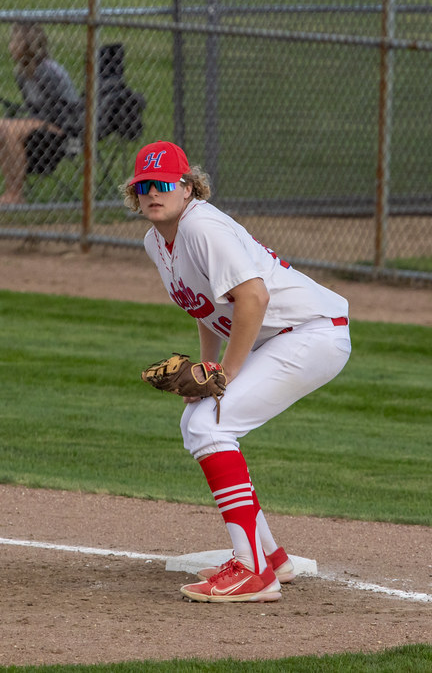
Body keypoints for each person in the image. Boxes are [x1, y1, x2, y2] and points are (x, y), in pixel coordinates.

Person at [124, 140, 352, 603]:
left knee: (210, 425)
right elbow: (204, 308)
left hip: (312, 332)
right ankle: (271, 560)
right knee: (197, 421)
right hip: (285, 337)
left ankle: (253, 573)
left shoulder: (203, 227)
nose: (153, 192)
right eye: (143, 185)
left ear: (187, 188)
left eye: (163, 183)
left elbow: (254, 299)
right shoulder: (157, 240)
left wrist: (223, 375)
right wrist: (207, 370)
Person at [0, 23, 82, 205]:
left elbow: (66, 108)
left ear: (27, 45)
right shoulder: (22, 73)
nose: (10, 46)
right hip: (41, 123)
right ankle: (11, 189)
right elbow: (33, 107)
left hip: (64, 128)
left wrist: (30, 123)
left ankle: (16, 194)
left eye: (14, 41)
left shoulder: (46, 70)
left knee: (9, 130)